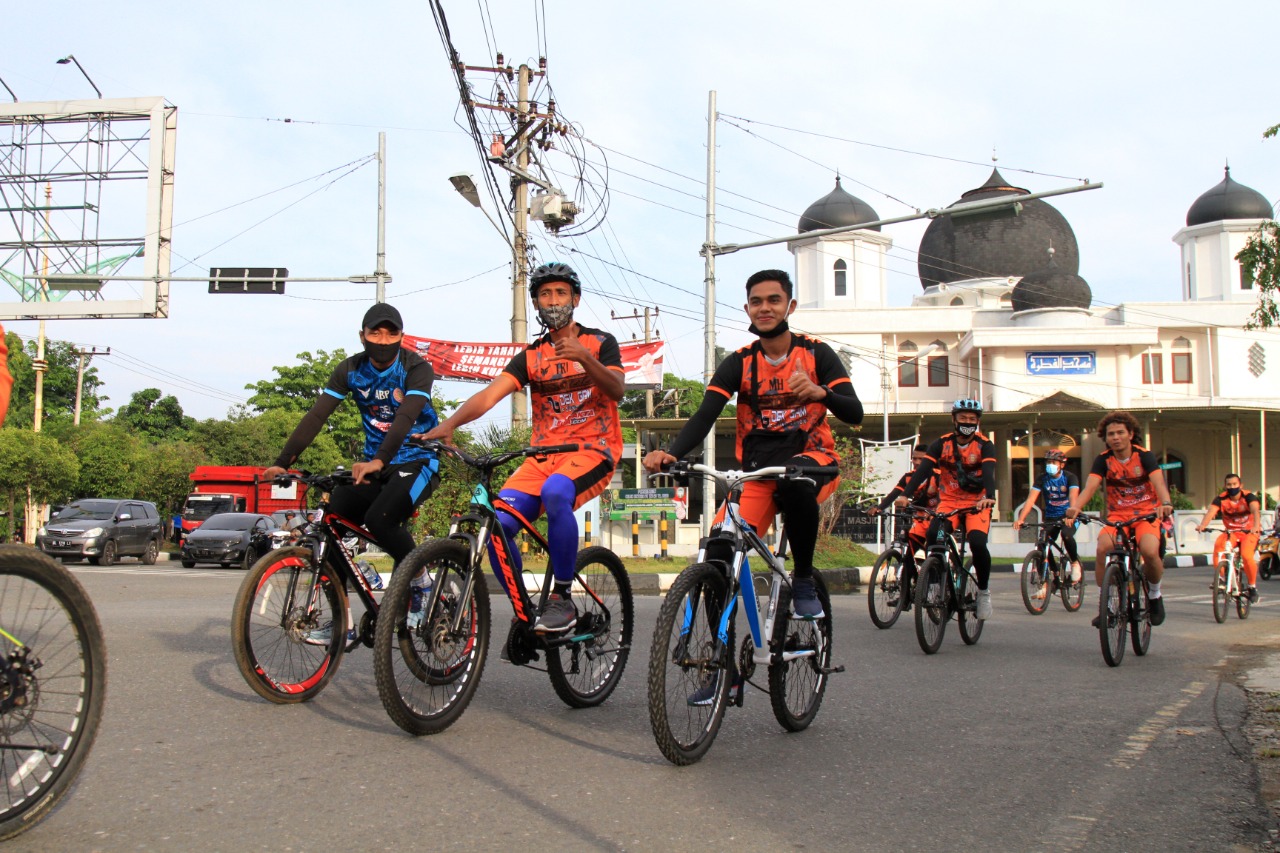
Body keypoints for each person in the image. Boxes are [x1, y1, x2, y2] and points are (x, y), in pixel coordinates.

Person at [643, 268, 864, 623]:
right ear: (747, 309)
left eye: (774, 300)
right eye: (756, 302)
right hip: (758, 473)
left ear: (789, 306)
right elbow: (704, 416)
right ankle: (718, 667)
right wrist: (673, 452)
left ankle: (803, 579)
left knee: (794, 482)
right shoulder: (739, 362)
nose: (765, 308)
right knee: (718, 553)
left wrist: (823, 392)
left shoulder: (817, 354)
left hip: (813, 462)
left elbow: (856, 412)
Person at [422, 262, 624, 634]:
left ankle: (561, 598)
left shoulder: (599, 343)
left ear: (575, 299)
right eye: (544, 294)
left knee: (556, 493)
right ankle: (526, 610)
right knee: (494, 525)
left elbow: (617, 390)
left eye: (560, 292)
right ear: (535, 303)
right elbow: (489, 395)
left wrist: (583, 357)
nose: (553, 300)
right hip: (542, 457)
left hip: (593, 450)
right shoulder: (530, 357)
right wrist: (450, 424)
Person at [263, 303, 441, 640]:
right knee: (332, 520)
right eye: (376, 332)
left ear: (402, 337)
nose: (383, 339)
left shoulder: (416, 368)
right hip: (374, 464)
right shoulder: (350, 370)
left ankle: (421, 583)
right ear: (362, 335)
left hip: (417, 460)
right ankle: (341, 622)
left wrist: (381, 459)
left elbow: (405, 416)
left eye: (391, 333)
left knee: (380, 518)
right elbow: (317, 416)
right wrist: (282, 462)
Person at [1065, 411, 1174, 626]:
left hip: (1146, 514)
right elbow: (1091, 486)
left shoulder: (1144, 456)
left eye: (1120, 433)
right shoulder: (1103, 460)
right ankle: (1104, 604)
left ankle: (1154, 595)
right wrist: (1076, 507)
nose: (1115, 437)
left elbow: (1159, 482)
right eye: (1110, 434)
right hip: (1117, 516)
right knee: (1102, 548)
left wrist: (1166, 503)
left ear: (1131, 434)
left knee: (1150, 551)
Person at [897, 399, 998, 619]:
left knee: (978, 543)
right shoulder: (941, 444)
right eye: (963, 418)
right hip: (950, 501)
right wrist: (905, 494)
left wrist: (989, 497)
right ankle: (935, 586)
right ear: (954, 419)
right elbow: (923, 471)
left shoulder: (984, 444)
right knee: (935, 536)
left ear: (978, 422)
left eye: (972, 419)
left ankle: (983, 592)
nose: (967, 422)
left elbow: (989, 473)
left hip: (976, 502)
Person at [866, 444, 938, 611]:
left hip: (936, 519)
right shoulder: (908, 477)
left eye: (922, 459)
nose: (917, 462)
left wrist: (935, 513)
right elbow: (895, 493)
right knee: (907, 556)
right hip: (917, 520)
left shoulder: (938, 476)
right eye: (914, 458)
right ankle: (905, 596)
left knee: (934, 553)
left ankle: (935, 588)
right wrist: (880, 507)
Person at [1012, 448, 1083, 595]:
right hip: (1051, 518)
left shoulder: (1070, 478)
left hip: (1068, 516)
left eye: (1053, 462)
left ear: (1062, 464)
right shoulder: (1042, 479)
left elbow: (1073, 498)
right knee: (1042, 544)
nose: (1050, 465)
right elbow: (1031, 500)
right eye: (1048, 462)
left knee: (1066, 535)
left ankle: (1075, 563)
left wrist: (1071, 515)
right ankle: (1049, 580)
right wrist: (1021, 519)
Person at [1195, 473, 1261, 603]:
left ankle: (1252, 587)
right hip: (1232, 532)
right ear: (1225, 486)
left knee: (1247, 555)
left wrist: (1256, 526)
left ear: (1240, 485)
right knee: (1219, 546)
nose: (1232, 487)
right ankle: (1221, 580)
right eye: (1229, 485)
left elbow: (1255, 511)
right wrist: (1203, 525)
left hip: (1249, 532)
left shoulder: (1248, 497)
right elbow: (1211, 512)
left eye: (1234, 484)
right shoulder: (1221, 499)